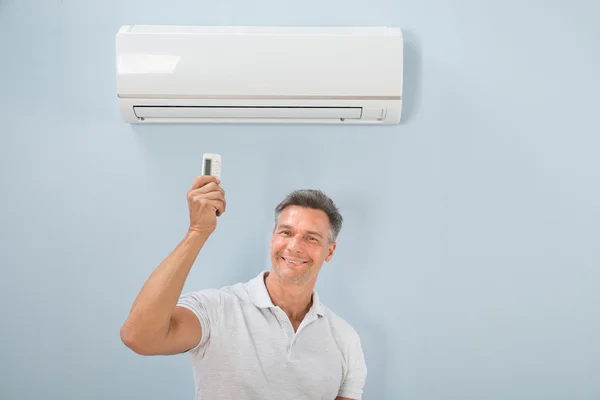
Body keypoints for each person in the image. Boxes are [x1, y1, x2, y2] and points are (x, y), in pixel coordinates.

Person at [120, 175, 367, 399]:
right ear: (273, 238)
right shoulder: (216, 309)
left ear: (329, 251)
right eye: (286, 232)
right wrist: (198, 231)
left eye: (311, 238)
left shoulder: (345, 339)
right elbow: (138, 337)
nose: (294, 246)